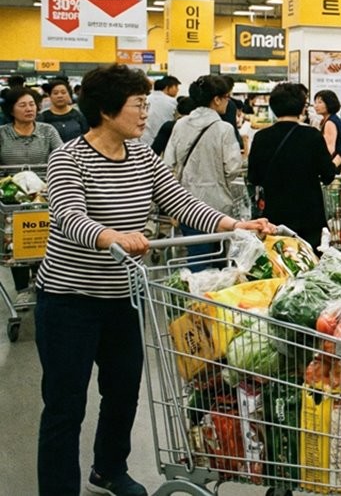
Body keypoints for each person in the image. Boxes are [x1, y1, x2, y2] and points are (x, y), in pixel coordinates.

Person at [35, 63, 272, 496]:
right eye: (137, 105)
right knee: (64, 406)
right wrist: (111, 237)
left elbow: (182, 203)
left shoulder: (143, 156)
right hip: (68, 299)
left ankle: (108, 469)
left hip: (124, 297)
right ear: (107, 111)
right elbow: (68, 216)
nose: (146, 113)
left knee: (124, 391)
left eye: (146, 103)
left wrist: (233, 225)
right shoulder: (69, 158)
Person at [164, 75, 245, 264]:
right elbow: (232, 167)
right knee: (218, 260)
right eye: (227, 96)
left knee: (196, 257)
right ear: (216, 99)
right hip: (217, 206)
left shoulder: (180, 124)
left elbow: (169, 162)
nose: (228, 101)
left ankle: (194, 292)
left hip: (185, 204)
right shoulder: (223, 129)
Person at [247, 83, 337, 250]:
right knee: (310, 264)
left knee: (280, 264)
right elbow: (328, 174)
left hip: (274, 217)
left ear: (273, 107)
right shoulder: (312, 136)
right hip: (309, 215)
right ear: (302, 107)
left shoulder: (261, 138)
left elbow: (254, 177)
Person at [2, 87, 63, 306]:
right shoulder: (2, 134)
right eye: (23, 105)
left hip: (44, 194)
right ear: (11, 110)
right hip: (12, 197)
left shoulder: (48, 131)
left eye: (32, 104)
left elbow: (61, 158)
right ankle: (21, 288)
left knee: (42, 235)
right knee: (14, 240)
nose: (29, 109)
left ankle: (41, 278)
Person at [38, 77, 89, 142]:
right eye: (55, 93)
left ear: (69, 94)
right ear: (50, 96)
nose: (60, 96)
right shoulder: (42, 117)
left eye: (63, 92)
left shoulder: (79, 115)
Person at [314, 90, 341, 171]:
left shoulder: (330, 122)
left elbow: (330, 149)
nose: (316, 106)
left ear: (329, 104)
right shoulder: (332, 119)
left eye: (320, 102)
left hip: (337, 164)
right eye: (315, 102)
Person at [140, 75, 180, 146]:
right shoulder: (173, 102)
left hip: (143, 138)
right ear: (167, 88)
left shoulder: (146, 99)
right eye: (176, 87)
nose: (177, 90)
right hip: (163, 141)